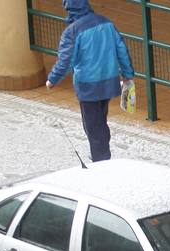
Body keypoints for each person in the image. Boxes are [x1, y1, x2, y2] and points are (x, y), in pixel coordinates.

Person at [44, 0, 135, 163]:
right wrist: (128, 74)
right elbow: (121, 49)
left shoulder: (72, 32)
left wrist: (52, 79)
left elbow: (66, 60)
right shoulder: (106, 22)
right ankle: (102, 154)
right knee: (100, 120)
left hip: (88, 86)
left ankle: (101, 160)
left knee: (92, 126)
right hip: (108, 82)